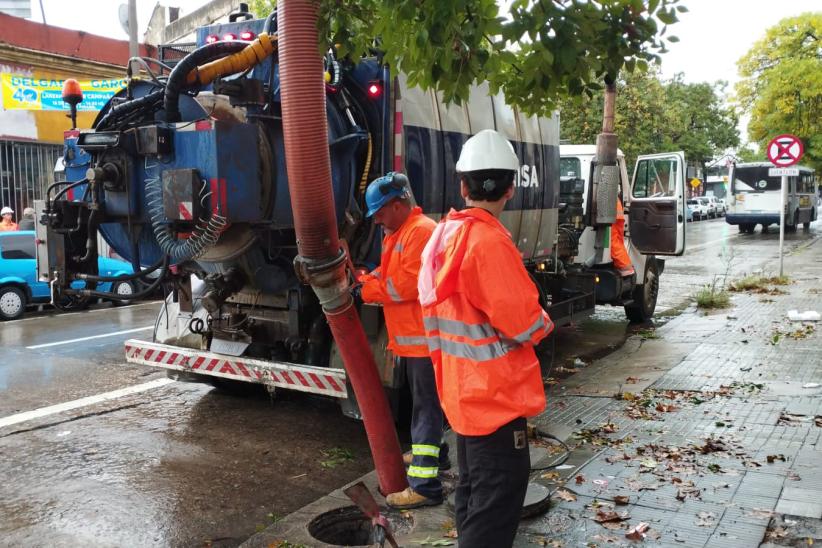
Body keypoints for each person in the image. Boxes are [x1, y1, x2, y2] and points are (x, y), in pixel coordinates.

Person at [417, 129, 554, 547]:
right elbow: (526, 323)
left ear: (463, 186)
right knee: (495, 505)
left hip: (462, 395)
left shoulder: (442, 236)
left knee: (474, 497)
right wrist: (544, 321)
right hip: (496, 401)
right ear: (511, 188)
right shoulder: (488, 242)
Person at [357, 172, 448, 509]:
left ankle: (426, 486)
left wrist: (367, 291)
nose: (376, 219)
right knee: (426, 406)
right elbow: (389, 273)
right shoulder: (399, 233)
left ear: (398, 205)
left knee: (425, 410)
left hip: (423, 340)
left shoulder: (420, 232)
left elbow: (407, 284)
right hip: (412, 340)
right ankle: (440, 456)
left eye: (380, 211)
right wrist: (368, 277)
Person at [610, 197, 635, 276]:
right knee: (618, 241)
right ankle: (626, 266)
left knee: (612, 241)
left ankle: (625, 266)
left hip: (612, 215)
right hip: (617, 214)